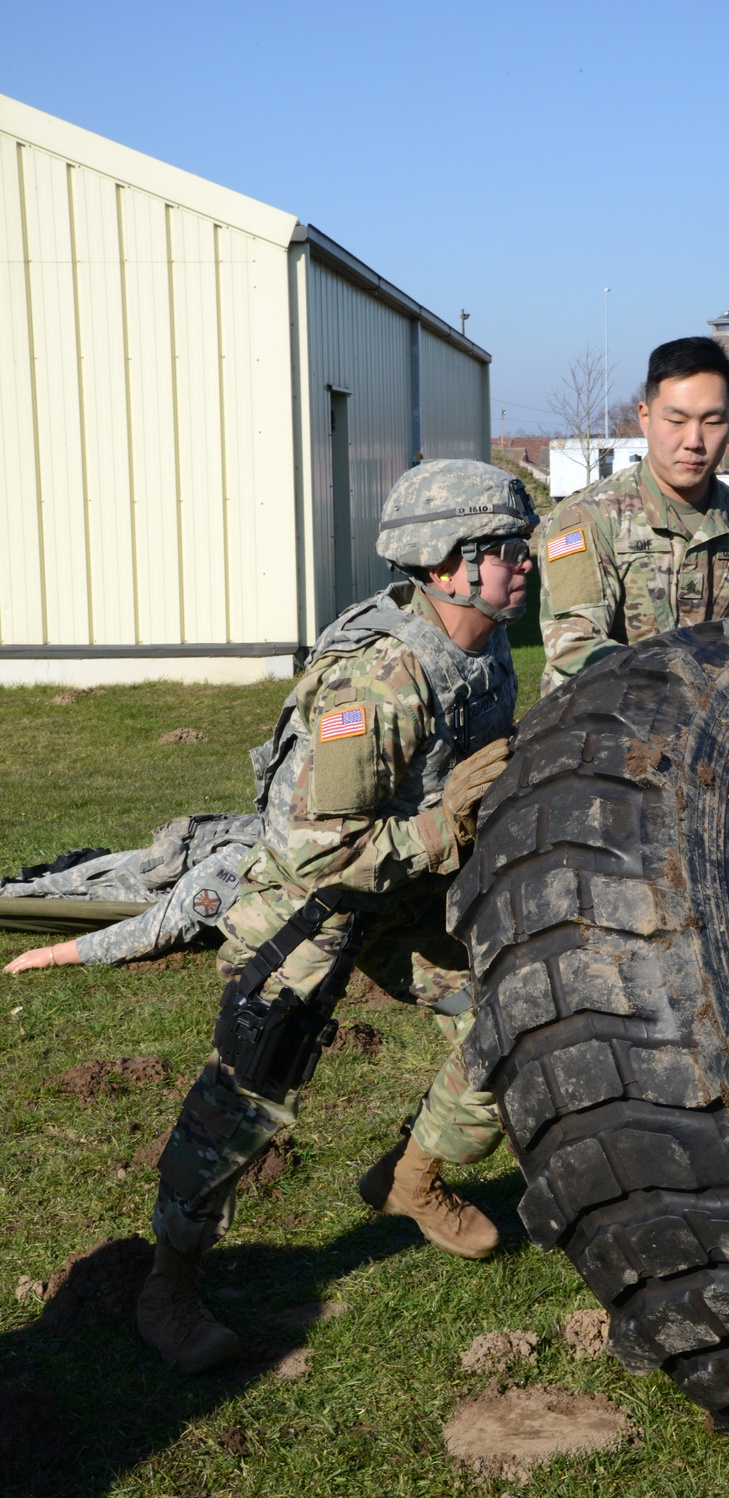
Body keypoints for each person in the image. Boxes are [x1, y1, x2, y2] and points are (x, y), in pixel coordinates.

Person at [136, 458, 538, 1373]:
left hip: (404, 899)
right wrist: (445, 825)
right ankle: (168, 1286)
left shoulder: (482, 651)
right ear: (448, 565)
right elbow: (319, 851)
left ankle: (411, 1178)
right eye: (504, 549)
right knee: (245, 1096)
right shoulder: (383, 680)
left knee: (513, 1012)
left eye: (520, 546)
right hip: (309, 908)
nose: (524, 563)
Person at [538, 336, 729, 694]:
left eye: (712, 422)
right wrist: (680, 684)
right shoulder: (587, 520)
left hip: (716, 736)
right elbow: (573, 644)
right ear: (645, 417)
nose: (693, 441)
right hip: (602, 727)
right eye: (675, 420)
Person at [1, 814, 261, 971]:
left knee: (55, 891)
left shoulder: (242, 863)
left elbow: (161, 927)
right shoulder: (274, 824)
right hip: (165, 862)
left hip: (166, 885)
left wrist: (54, 955)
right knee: (53, 880)